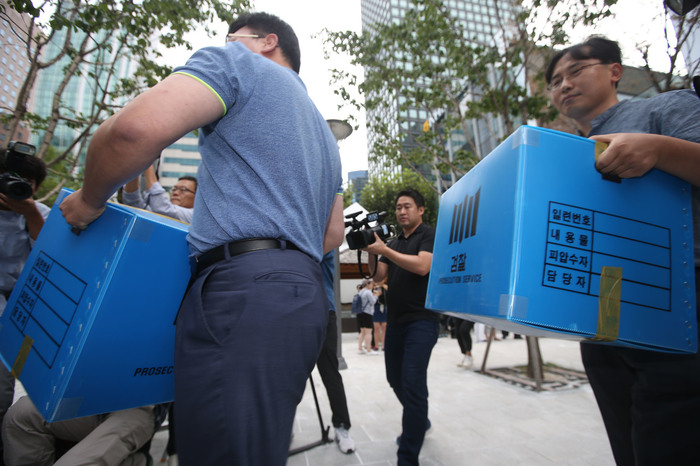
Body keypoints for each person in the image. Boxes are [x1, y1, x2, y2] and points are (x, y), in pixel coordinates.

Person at [59, 11, 344, 466]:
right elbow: (333, 233)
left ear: (268, 41)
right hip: (300, 296)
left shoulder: (238, 64)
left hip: (242, 294)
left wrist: (90, 199)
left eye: (232, 36)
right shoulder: (325, 137)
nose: (226, 43)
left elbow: (132, 130)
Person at [545, 36, 700, 465]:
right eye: (555, 81)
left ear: (615, 70)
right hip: (603, 322)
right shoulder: (568, 154)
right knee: (627, 446)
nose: (564, 85)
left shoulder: (666, 107)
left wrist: (659, 149)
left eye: (576, 71)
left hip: (674, 303)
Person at [364, 188, 438, 466]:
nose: (401, 211)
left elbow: (422, 266)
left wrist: (384, 250)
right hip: (396, 321)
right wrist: (372, 251)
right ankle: (420, 419)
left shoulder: (428, 234)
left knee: (413, 383)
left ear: (420, 210)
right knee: (394, 379)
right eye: (398, 208)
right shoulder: (392, 243)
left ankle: (407, 458)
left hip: (422, 321)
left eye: (407, 206)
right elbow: (378, 276)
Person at [0, 147, 49, 465]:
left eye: (27, 181)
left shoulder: (42, 214)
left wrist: (30, 214)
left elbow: (48, 262)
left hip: (17, 308)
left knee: (5, 386)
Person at [2, 397, 157, 466]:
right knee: (21, 414)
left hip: (141, 407)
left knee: (73, 463)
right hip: (94, 396)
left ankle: (137, 462)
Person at [316, 251, 355, 454]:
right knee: (288, 376)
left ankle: (342, 426)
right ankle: (282, 425)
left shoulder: (323, 235)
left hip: (323, 310)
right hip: (293, 308)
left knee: (330, 372)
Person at [122, 165, 196, 223]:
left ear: (197, 197)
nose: (175, 193)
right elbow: (133, 203)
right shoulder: (161, 214)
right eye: (174, 189)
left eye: (183, 189)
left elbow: (161, 207)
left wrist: (147, 162)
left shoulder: (195, 216)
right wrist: (136, 168)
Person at [357, 278, 378, 354]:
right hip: (367, 313)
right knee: (369, 332)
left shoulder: (361, 292)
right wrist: (376, 296)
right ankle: (369, 349)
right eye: (372, 283)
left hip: (360, 313)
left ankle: (360, 348)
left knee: (362, 332)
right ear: (367, 284)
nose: (373, 285)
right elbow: (373, 302)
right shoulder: (368, 292)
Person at [372, 284, 387, 351]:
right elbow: (373, 297)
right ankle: (376, 345)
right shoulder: (374, 288)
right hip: (376, 307)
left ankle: (384, 345)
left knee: (384, 327)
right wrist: (376, 293)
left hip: (384, 307)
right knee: (376, 328)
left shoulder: (385, 287)